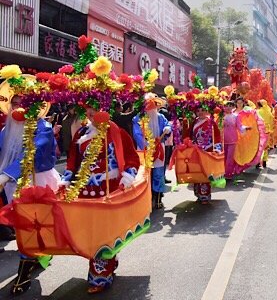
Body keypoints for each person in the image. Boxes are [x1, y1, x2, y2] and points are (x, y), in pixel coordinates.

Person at [62, 105, 141, 294]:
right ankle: (108, 261)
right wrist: (66, 178)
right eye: (88, 109)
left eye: (95, 108)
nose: (91, 113)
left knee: (103, 234)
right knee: (90, 233)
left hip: (109, 190)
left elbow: (131, 159)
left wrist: (127, 176)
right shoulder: (81, 132)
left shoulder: (116, 131)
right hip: (85, 190)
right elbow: (73, 160)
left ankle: (100, 276)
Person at [0, 95, 61, 295]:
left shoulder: (42, 128)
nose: (17, 108)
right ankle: (34, 256)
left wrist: (6, 175)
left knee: (33, 226)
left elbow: (30, 154)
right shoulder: (6, 130)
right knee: (22, 226)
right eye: (14, 103)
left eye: (22, 104)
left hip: (38, 182)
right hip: (10, 183)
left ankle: (24, 272)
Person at [132, 94, 172, 210]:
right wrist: (147, 145)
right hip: (146, 150)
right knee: (146, 173)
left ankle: (158, 198)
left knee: (159, 173)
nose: (151, 109)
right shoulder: (138, 118)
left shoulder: (160, 117)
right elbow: (137, 134)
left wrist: (167, 128)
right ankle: (147, 199)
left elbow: (167, 124)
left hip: (159, 148)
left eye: (153, 106)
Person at [190, 107, 221, 203]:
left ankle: (205, 194)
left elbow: (217, 135)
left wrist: (217, 149)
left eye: (202, 110)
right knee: (197, 171)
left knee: (206, 173)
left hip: (208, 149)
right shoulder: (194, 122)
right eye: (198, 111)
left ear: (206, 111)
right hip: (196, 150)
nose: (200, 112)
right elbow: (188, 134)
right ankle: (198, 193)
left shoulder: (211, 122)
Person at [223, 100, 250, 179]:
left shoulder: (236, 116)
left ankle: (228, 173)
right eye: (226, 106)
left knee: (229, 158)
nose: (228, 107)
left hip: (232, 140)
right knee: (223, 157)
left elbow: (240, 126)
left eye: (230, 106)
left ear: (233, 107)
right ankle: (223, 171)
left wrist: (246, 128)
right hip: (223, 140)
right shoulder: (221, 116)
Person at [256, 100, 274, 169]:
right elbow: (272, 119)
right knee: (265, 146)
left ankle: (258, 162)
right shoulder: (269, 111)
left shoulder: (258, 111)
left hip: (259, 130)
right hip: (267, 130)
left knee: (259, 146)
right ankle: (264, 161)